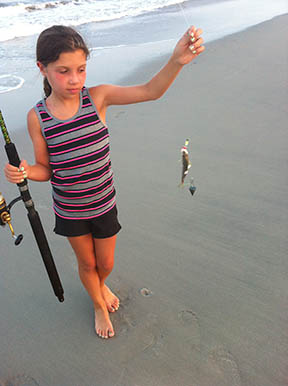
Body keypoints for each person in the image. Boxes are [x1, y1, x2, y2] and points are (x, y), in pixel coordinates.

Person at [4, 25, 205, 339]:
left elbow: (150, 91)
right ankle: (98, 303)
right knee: (87, 264)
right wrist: (26, 170)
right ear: (42, 69)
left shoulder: (98, 98)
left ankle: (101, 283)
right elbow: (46, 168)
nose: (75, 79)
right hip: (70, 211)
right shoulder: (38, 117)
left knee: (106, 263)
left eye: (81, 69)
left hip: (103, 203)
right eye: (64, 71)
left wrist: (177, 60)